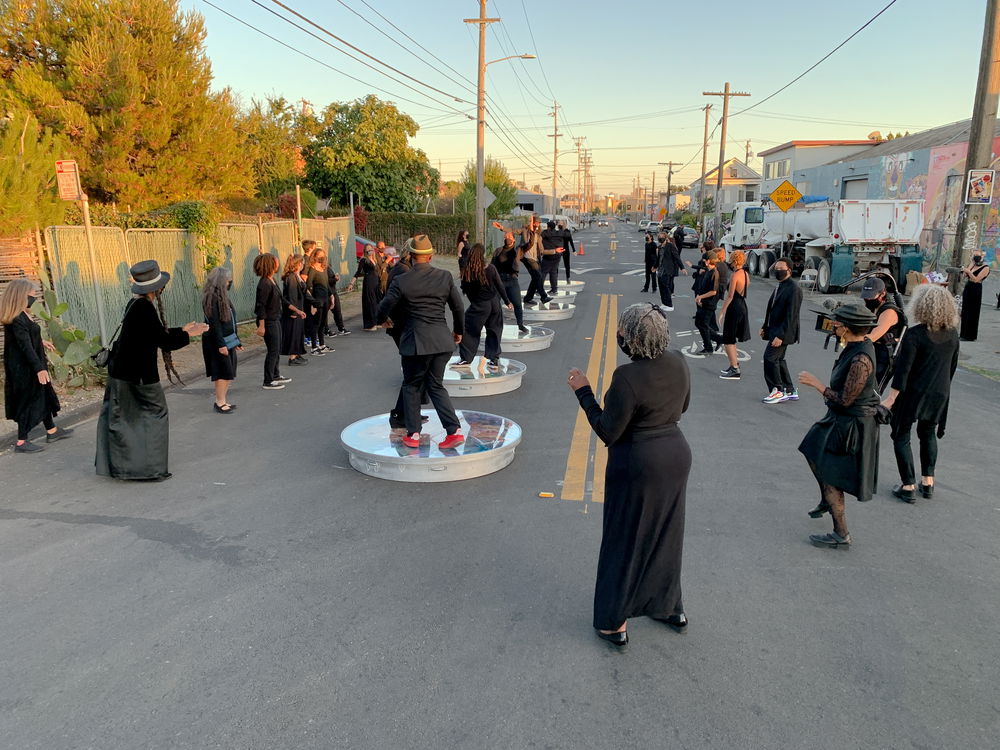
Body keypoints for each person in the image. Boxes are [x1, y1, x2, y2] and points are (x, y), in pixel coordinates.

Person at [567, 303, 691, 646]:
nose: (619, 335)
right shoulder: (679, 360)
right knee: (667, 533)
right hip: (676, 456)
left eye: (622, 332)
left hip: (638, 462)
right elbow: (682, 407)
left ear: (632, 340)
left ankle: (613, 621)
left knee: (623, 539)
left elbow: (608, 431)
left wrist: (583, 392)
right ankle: (668, 607)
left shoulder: (627, 377)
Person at [95, 260, 208, 480]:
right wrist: (189, 334)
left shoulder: (134, 304)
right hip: (138, 375)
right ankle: (150, 469)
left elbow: (153, 336)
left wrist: (182, 330)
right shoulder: (145, 308)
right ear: (157, 288)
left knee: (123, 420)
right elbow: (163, 341)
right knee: (155, 415)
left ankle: (122, 467)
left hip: (122, 371)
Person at [797, 304, 879, 549]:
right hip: (840, 419)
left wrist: (817, 385)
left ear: (847, 328)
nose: (832, 326)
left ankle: (841, 534)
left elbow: (845, 399)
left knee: (831, 474)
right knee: (811, 448)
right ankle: (826, 498)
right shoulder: (854, 347)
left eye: (837, 324)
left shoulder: (861, 359)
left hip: (851, 424)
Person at [376, 234, 465, 449]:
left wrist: (383, 321)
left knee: (412, 385)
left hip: (415, 343)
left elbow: (383, 307)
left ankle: (413, 435)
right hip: (442, 341)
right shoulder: (445, 276)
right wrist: (458, 332)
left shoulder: (401, 280)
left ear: (411, 255)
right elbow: (458, 307)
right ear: (431, 255)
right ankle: (454, 431)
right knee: (436, 386)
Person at [881, 285, 960, 503]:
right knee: (928, 433)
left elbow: (902, 371)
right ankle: (928, 482)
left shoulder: (914, 335)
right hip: (939, 392)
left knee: (901, 434)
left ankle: (908, 485)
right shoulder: (953, 335)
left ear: (921, 306)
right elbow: (951, 368)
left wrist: (890, 398)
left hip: (913, 393)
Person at [2, 279, 73, 452]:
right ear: (21, 296)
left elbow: (27, 337)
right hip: (24, 368)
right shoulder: (17, 318)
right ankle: (21, 441)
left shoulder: (23, 314)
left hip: (32, 362)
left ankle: (52, 430)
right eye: (32, 296)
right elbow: (24, 346)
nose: (35, 299)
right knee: (28, 399)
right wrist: (39, 368)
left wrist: (41, 341)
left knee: (43, 393)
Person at [456, 243, 513, 368]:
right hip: (494, 303)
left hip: (479, 305)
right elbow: (499, 286)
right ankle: (493, 359)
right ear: (482, 255)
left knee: (468, 329)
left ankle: (466, 358)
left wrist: (476, 302)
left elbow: (466, 289)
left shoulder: (468, 272)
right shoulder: (491, 268)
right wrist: (507, 301)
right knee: (494, 330)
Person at [254, 253, 304, 390]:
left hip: (276, 318)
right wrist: (262, 326)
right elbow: (261, 306)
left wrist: (297, 310)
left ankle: (275, 375)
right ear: (269, 264)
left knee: (277, 349)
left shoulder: (272, 280)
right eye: (275, 262)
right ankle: (268, 380)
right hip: (268, 321)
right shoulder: (264, 283)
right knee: (273, 350)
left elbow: (283, 300)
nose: (278, 264)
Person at [760, 257, 802, 404]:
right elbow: (772, 308)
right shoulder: (780, 285)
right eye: (776, 268)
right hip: (775, 330)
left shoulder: (793, 289)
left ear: (789, 270)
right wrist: (765, 327)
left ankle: (777, 390)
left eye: (781, 268)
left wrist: (780, 335)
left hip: (782, 333)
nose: (778, 271)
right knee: (779, 359)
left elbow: (791, 315)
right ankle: (789, 390)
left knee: (769, 358)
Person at [200, 267, 241, 414]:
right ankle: (220, 402)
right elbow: (214, 324)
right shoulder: (212, 298)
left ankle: (223, 400)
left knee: (228, 372)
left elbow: (230, 321)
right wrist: (221, 345)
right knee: (223, 372)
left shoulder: (221, 296)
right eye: (228, 281)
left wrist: (237, 341)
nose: (230, 283)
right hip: (218, 342)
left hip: (227, 340)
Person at [858, 276, 905, 389]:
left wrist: (852, 337)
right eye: (866, 297)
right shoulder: (873, 308)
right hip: (873, 352)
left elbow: (873, 336)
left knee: (873, 391)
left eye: (870, 297)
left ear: (882, 294)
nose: (868, 300)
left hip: (885, 357)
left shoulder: (889, 312)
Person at [718, 250, 751, 380]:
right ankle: (734, 364)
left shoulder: (735, 275)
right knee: (731, 338)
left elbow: (730, 295)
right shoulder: (745, 274)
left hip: (734, 307)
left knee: (728, 339)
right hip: (742, 305)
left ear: (733, 260)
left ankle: (735, 369)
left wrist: (722, 311)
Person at [491, 231, 528, 333]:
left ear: (514, 239)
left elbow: (527, 243)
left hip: (512, 280)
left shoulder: (517, 250)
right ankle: (494, 325)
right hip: (499, 281)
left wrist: (530, 228)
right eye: (506, 236)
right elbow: (492, 266)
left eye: (509, 236)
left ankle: (520, 325)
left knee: (517, 304)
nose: (507, 238)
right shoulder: (498, 251)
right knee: (494, 304)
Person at [281, 254, 309, 367]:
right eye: (302, 263)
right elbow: (291, 296)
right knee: (293, 333)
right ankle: (292, 357)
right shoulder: (291, 277)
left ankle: (297, 353)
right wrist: (293, 312)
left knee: (298, 333)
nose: (303, 265)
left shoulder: (296, 276)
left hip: (299, 308)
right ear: (298, 264)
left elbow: (303, 289)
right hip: (293, 310)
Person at [305, 249, 335, 354]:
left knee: (323, 323)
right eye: (320, 256)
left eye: (323, 256)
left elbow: (326, 284)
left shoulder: (324, 269)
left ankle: (322, 345)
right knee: (316, 323)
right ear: (315, 256)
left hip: (326, 299)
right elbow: (308, 286)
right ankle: (314, 347)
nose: (322, 258)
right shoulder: (312, 269)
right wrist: (312, 303)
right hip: (317, 300)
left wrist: (331, 296)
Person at [693, 252, 723, 355]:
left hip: (709, 304)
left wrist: (700, 297)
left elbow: (713, 291)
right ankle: (718, 339)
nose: (703, 262)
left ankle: (709, 347)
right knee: (699, 323)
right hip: (703, 302)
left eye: (705, 260)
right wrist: (699, 298)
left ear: (709, 261)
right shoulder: (708, 271)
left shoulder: (714, 273)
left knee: (703, 325)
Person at [349, 243, 382, 331]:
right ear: (365, 251)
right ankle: (370, 324)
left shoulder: (375, 259)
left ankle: (376, 321)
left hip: (376, 283)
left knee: (377, 302)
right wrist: (351, 283)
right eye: (367, 249)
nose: (369, 251)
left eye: (371, 249)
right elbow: (358, 272)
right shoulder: (364, 260)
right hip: (369, 282)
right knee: (370, 302)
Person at [959, 250, 990, 341]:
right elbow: (964, 276)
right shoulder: (973, 265)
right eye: (974, 255)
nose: (975, 256)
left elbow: (976, 279)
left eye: (977, 255)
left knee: (972, 312)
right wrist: (970, 265)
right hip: (968, 287)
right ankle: (963, 334)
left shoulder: (985, 267)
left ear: (982, 256)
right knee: (965, 311)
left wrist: (968, 271)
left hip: (976, 289)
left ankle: (970, 336)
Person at [520, 216, 551, 305]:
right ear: (533, 223)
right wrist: (502, 228)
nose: (538, 224)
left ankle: (528, 298)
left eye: (539, 223)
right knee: (538, 276)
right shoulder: (525, 231)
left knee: (535, 278)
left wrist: (554, 251)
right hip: (527, 258)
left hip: (536, 259)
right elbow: (513, 230)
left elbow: (542, 251)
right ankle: (543, 297)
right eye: (537, 222)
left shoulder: (538, 236)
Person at [654, 232, 685, 310]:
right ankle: (664, 303)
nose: (660, 238)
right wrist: (655, 267)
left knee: (666, 287)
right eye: (659, 237)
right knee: (661, 287)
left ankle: (670, 305)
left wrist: (682, 267)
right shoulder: (660, 247)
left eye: (662, 237)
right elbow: (659, 259)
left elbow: (676, 257)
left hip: (667, 269)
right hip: (660, 270)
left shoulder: (670, 246)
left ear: (665, 237)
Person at [539, 220, 564, 296]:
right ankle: (554, 289)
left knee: (543, 272)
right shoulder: (558, 233)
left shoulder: (545, 233)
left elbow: (539, 237)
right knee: (553, 273)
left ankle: (539, 288)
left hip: (548, 255)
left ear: (548, 227)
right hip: (557, 256)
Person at [558, 220, 575, 284]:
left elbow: (571, 241)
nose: (560, 225)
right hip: (559, 249)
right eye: (559, 223)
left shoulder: (567, 232)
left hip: (565, 250)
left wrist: (574, 250)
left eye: (561, 224)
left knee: (567, 265)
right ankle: (555, 278)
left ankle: (568, 278)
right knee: (556, 265)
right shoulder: (558, 232)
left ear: (565, 225)